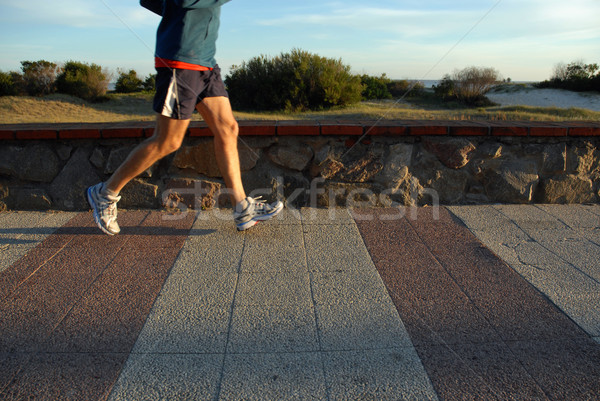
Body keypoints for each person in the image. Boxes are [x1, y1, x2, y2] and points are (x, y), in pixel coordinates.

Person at [87, 0, 283, 235]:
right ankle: (105, 193)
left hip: (205, 63)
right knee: (167, 140)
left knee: (228, 128)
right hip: (179, 61)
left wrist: (174, 10)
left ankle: (242, 208)